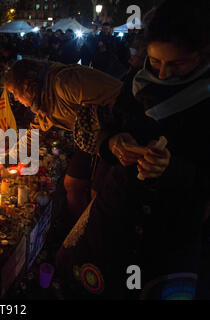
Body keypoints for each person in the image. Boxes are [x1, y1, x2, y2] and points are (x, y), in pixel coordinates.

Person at [55, 0, 209, 299]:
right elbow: (107, 130)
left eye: (177, 64)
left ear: (203, 53)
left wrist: (171, 168)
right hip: (116, 215)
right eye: (155, 61)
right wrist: (112, 143)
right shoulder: (136, 83)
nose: (162, 75)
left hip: (168, 233)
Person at [4, 59, 123, 228]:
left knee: (99, 192)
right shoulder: (44, 100)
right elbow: (35, 132)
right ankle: (76, 229)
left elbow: (119, 95)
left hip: (114, 137)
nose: (15, 99)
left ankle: (95, 231)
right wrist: (4, 160)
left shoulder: (65, 82)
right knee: (72, 184)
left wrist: (111, 136)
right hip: (90, 140)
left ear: (26, 84)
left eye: (14, 92)